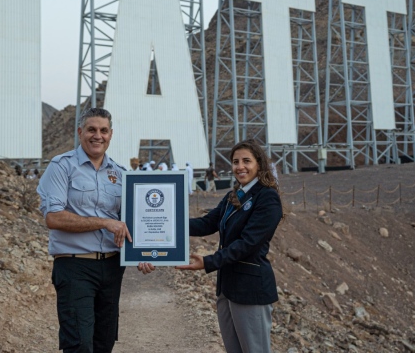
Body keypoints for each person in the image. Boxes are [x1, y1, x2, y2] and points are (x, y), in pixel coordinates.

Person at [37, 107, 154, 353]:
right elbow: (54, 217)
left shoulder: (121, 174)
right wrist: (103, 222)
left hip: (112, 267)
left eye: (103, 130)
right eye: (91, 130)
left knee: (104, 342)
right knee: (80, 343)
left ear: (111, 134)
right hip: (75, 266)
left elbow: (129, 222)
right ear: (80, 132)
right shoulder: (62, 167)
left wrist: (142, 253)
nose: (97, 136)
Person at [177, 139, 283, 353]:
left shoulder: (267, 198)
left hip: (250, 289)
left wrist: (208, 262)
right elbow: (208, 223)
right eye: (235, 161)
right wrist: (169, 226)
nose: (240, 166)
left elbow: (248, 244)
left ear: (259, 164)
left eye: (246, 161)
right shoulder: (233, 196)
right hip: (227, 287)